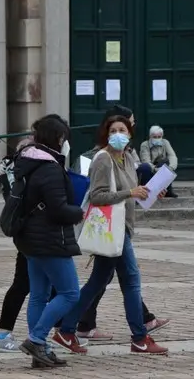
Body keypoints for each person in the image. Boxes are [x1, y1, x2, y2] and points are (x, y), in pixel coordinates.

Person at [53, 115, 169, 356]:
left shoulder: (128, 158)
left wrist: (150, 192)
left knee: (98, 280)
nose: (118, 134)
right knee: (131, 280)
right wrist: (130, 193)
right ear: (106, 134)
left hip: (122, 226)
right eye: (113, 130)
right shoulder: (103, 159)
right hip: (112, 229)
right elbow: (98, 196)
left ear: (130, 133)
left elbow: (131, 192)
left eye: (122, 130)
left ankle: (66, 329)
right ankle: (139, 337)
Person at [14, 115, 84, 368]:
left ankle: (40, 351)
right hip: (49, 239)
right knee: (70, 293)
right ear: (58, 138)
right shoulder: (50, 168)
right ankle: (37, 339)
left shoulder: (29, 162)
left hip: (30, 238)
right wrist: (79, 212)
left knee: (39, 295)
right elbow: (58, 209)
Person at [138, 125, 178, 197]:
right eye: (154, 137)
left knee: (164, 164)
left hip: (162, 167)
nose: (157, 139)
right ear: (150, 136)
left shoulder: (165, 142)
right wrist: (155, 169)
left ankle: (167, 190)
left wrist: (171, 167)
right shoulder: (145, 144)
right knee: (145, 167)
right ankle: (147, 192)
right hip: (151, 169)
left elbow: (172, 156)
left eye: (159, 137)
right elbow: (146, 160)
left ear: (162, 136)